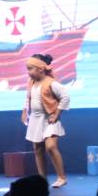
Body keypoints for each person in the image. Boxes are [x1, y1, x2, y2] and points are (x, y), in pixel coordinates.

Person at [21, 54, 70, 188]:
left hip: (49, 119)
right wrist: (25, 111)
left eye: (30, 69)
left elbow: (65, 97)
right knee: (38, 149)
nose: (28, 72)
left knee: (51, 146)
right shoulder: (31, 82)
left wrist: (57, 114)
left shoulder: (51, 83)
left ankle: (61, 177)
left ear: (41, 69)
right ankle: (42, 180)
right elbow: (28, 97)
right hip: (35, 119)